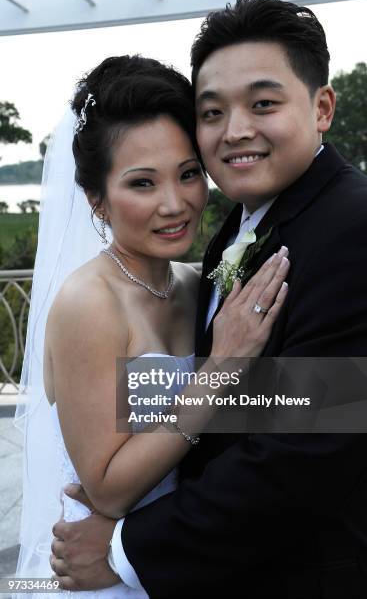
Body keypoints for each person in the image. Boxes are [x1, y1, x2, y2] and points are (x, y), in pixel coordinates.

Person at [51, 0, 367, 599]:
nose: (236, 130)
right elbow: (259, 407)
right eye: (213, 112)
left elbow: (299, 458)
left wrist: (123, 550)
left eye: (264, 103)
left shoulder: (351, 228)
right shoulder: (239, 228)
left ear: (322, 107)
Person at [14, 53, 289, 598]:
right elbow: (108, 490)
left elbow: (269, 404)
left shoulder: (197, 283)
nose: (175, 204)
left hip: (184, 557)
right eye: (142, 183)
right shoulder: (88, 303)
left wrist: (342, 393)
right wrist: (219, 371)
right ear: (96, 200)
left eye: (188, 174)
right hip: (110, 569)